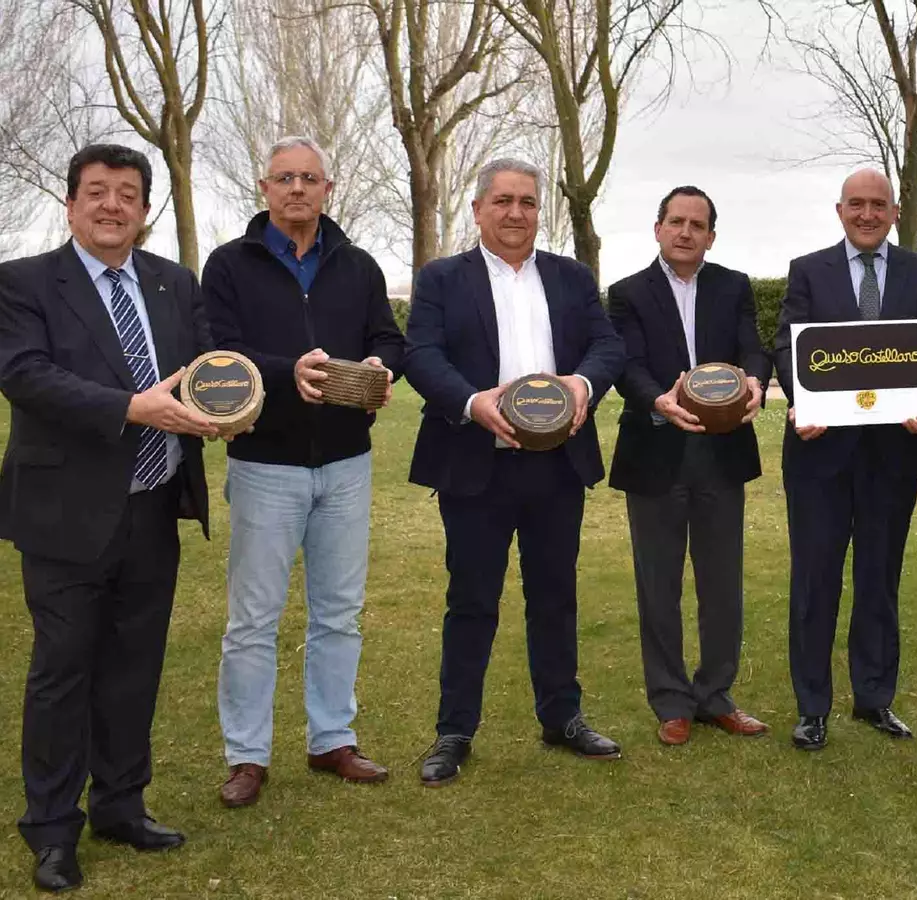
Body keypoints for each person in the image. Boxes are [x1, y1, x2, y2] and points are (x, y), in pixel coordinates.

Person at [0, 144, 216, 892]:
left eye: (128, 193)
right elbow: (24, 375)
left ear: (145, 210)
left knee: (134, 666)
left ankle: (121, 806)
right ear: (71, 205)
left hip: (154, 505)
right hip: (65, 514)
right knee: (62, 673)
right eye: (96, 191)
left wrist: (235, 401)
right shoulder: (23, 282)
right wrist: (131, 407)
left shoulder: (172, 282)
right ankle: (52, 829)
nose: (112, 205)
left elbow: (209, 367)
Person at [405, 158, 626, 784]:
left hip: (557, 466)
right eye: (502, 201)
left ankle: (562, 716)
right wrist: (473, 403)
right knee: (471, 600)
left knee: (555, 596)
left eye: (527, 202)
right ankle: (455, 730)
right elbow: (421, 354)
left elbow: (607, 346)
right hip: (476, 465)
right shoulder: (442, 278)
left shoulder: (571, 277)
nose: (515, 212)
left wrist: (582, 386)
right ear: (478, 209)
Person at [204, 136, 404, 808]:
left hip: (346, 463)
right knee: (253, 620)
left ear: (327, 189)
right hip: (265, 462)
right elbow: (217, 351)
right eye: (285, 177)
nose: (297, 188)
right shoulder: (229, 264)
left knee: (339, 614)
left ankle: (331, 739)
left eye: (309, 178)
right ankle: (247, 755)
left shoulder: (359, 265)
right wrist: (286, 372)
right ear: (264, 188)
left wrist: (381, 367)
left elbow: (388, 337)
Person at [772, 168, 917, 751]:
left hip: (894, 451)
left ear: (894, 212)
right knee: (815, 582)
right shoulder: (807, 270)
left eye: (878, 205)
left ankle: (874, 698)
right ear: (840, 210)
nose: (867, 214)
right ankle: (812, 708)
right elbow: (787, 345)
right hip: (819, 453)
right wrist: (801, 399)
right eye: (857, 204)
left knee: (879, 579)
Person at [606, 186, 769, 745]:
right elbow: (625, 364)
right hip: (655, 450)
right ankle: (672, 701)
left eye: (697, 225)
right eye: (676, 221)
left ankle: (716, 695)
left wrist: (755, 382)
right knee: (659, 584)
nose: (685, 232)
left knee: (722, 584)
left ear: (711, 237)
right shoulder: (627, 293)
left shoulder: (733, 286)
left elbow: (753, 348)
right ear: (658, 229)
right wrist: (659, 400)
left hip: (722, 452)